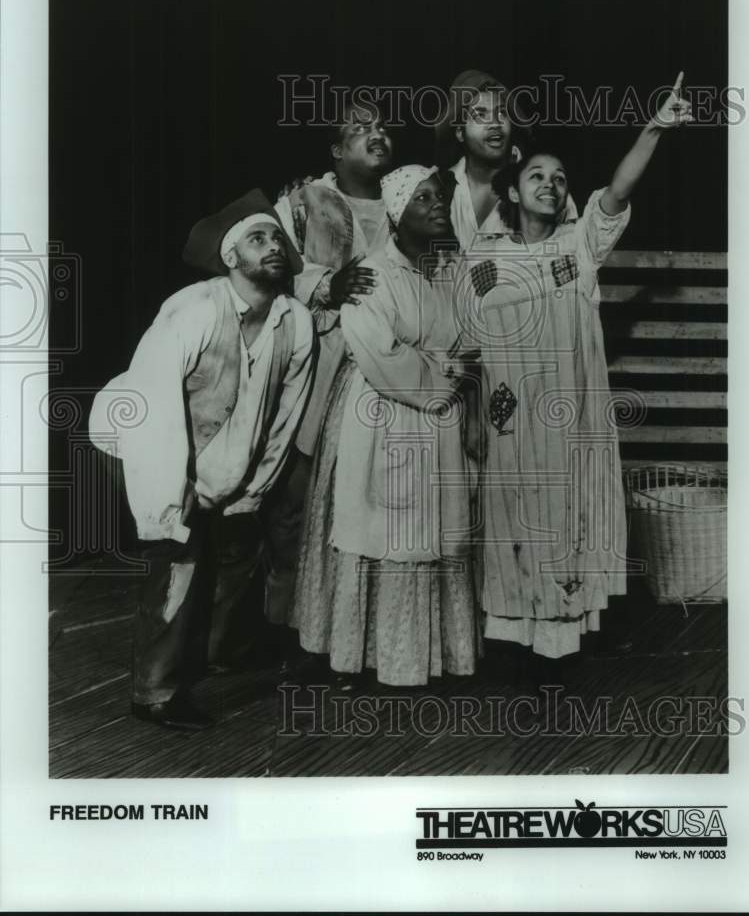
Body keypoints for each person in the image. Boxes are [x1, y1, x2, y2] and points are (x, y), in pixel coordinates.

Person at [456, 73, 693, 685]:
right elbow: (471, 344)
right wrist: (475, 413)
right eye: (536, 174)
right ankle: (512, 646)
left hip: (569, 419)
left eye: (559, 178)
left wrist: (654, 129)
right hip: (508, 418)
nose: (550, 183)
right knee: (512, 522)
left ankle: (558, 652)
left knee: (565, 520)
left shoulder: (579, 247)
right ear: (513, 189)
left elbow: (616, 191)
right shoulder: (484, 258)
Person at [89, 189, 316, 730]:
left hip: (216, 456)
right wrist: (171, 495)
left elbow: (283, 420)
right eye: (257, 238)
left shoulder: (296, 322)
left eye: (277, 237)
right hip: (135, 437)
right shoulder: (194, 309)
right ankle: (154, 692)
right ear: (230, 256)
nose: (273, 245)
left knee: (236, 546)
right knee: (180, 556)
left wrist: (253, 491)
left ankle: (216, 651)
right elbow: (152, 406)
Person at [291, 165, 479, 688]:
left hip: (433, 418)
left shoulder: (444, 273)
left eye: (438, 196)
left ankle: (418, 657)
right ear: (396, 215)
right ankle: (364, 657)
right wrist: (446, 377)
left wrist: (454, 369)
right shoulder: (372, 273)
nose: (436, 205)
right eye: (422, 198)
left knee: (430, 528)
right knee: (377, 527)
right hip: (382, 414)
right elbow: (381, 354)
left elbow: (466, 342)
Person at [260, 99, 392, 627]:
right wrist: (325, 285)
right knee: (296, 495)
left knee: (372, 493)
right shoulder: (305, 200)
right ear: (337, 150)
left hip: (387, 372)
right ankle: (285, 620)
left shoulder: (411, 197)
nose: (377, 133)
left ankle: (355, 624)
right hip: (321, 363)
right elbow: (265, 266)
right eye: (361, 129)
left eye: (382, 126)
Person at [436, 68, 576, 253]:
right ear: (460, 132)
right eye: (480, 115)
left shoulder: (545, 188)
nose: (495, 123)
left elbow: (571, 258)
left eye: (502, 113)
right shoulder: (439, 188)